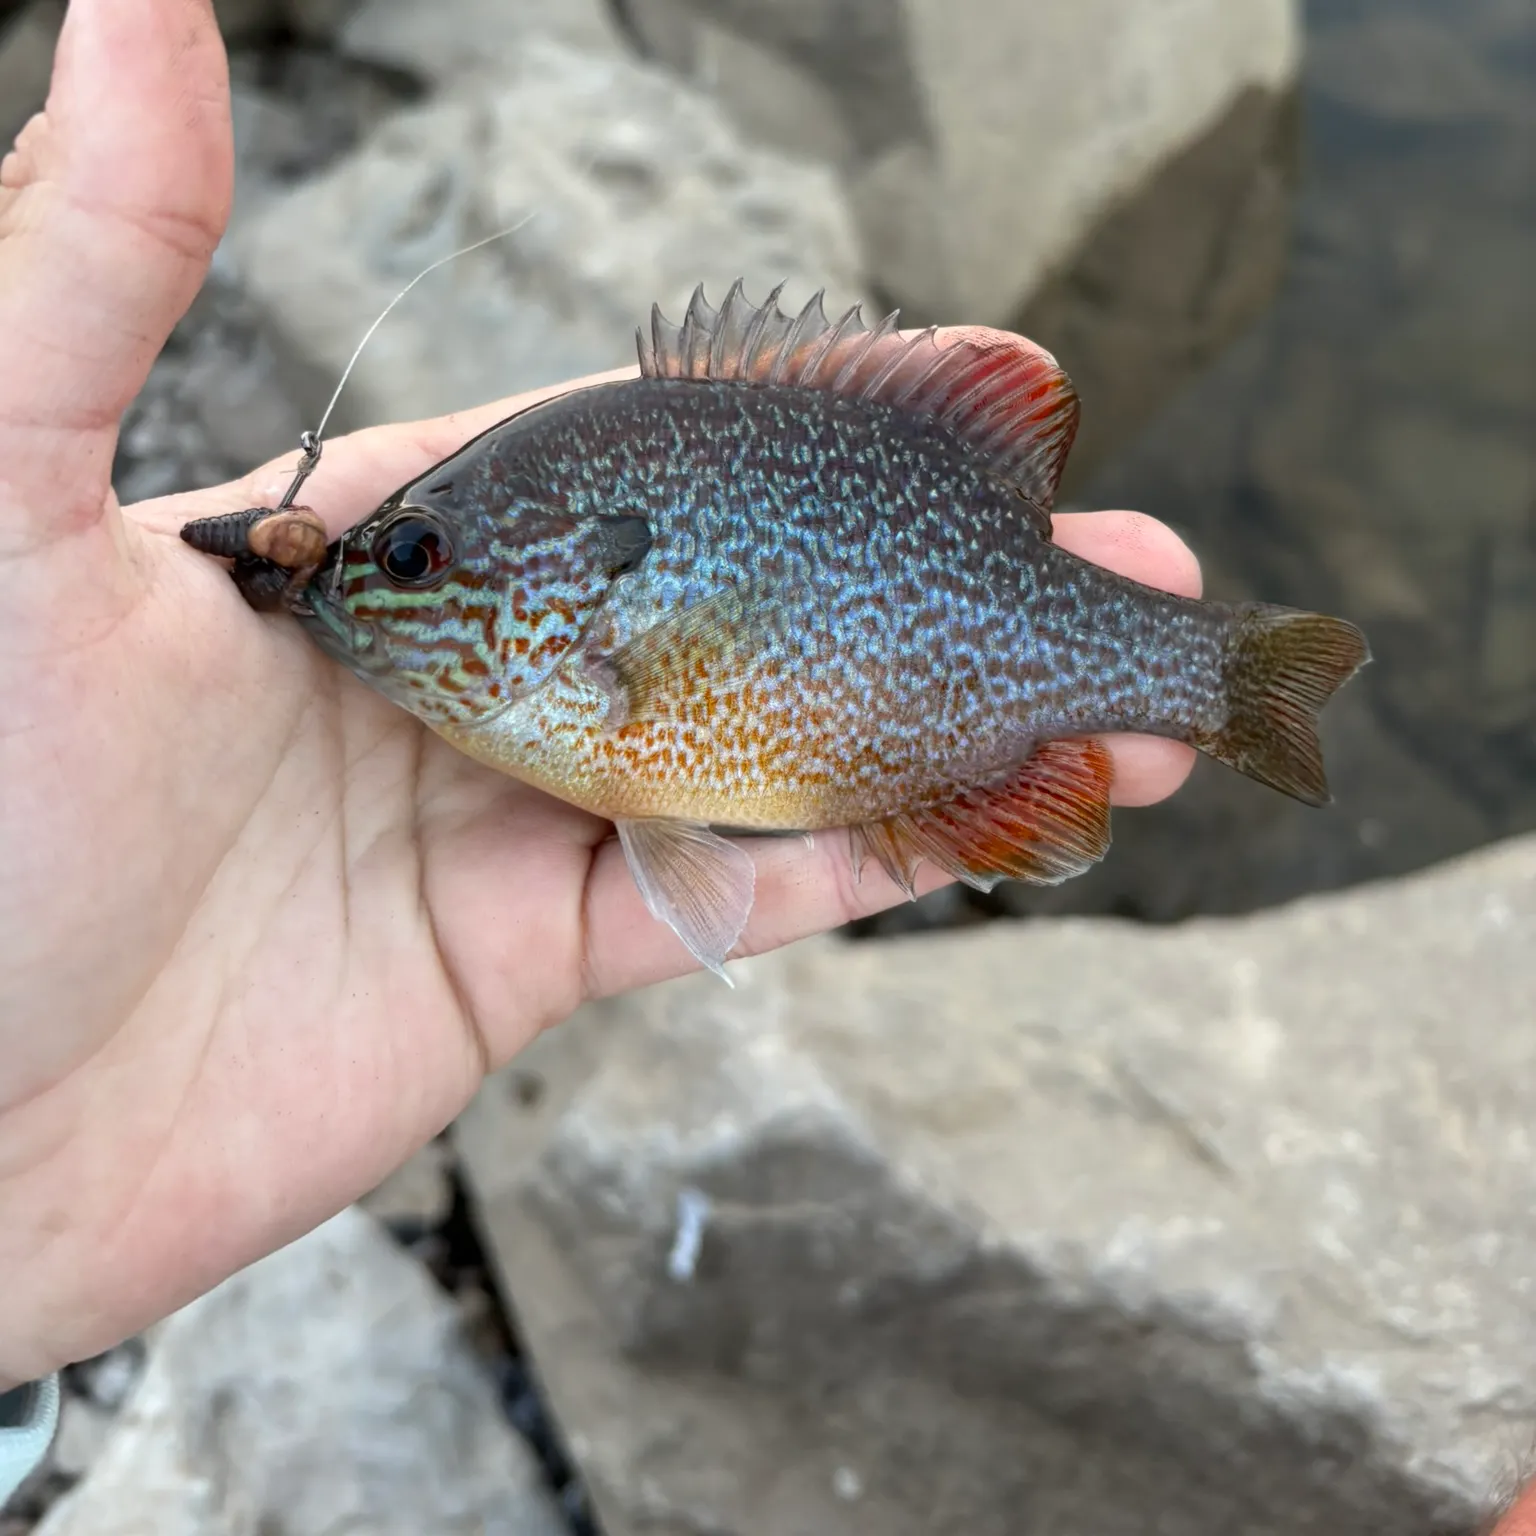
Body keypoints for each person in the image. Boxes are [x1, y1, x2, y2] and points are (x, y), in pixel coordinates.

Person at [0, 0, 1216, 1507]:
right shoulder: (532, 673)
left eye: (417, 555)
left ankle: (1218, 678)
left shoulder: (571, 679)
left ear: (561, 598)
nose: (374, 583)